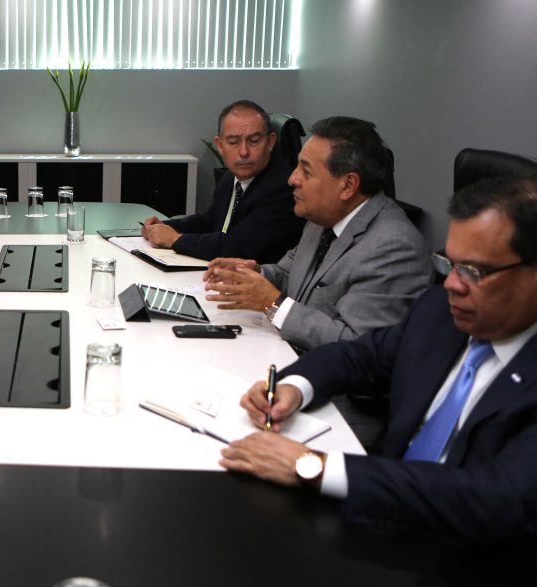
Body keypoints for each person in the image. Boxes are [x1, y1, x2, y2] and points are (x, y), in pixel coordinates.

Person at [219, 177, 537, 578]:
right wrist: (293, 388)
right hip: (378, 516)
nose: (452, 285)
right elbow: (362, 356)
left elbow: (495, 498)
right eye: (449, 264)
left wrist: (313, 466)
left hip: (470, 558)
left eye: (475, 271)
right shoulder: (439, 312)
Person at [203, 116, 430, 352]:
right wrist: (251, 274)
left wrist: (273, 304)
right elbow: (288, 274)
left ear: (347, 185)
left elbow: (357, 345)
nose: (292, 179)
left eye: (306, 171)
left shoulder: (394, 248)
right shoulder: (321, 217)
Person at [142, 100, 304, 264]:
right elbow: (210, 221)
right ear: (220, 145)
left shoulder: (284, 188)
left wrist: (174, 239)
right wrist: (164, 227)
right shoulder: (230, 178)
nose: (243, 152)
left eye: (254, 140)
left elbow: (237, 247)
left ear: (270, 142)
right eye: (233, 142)